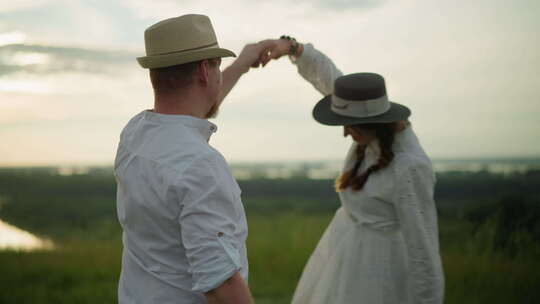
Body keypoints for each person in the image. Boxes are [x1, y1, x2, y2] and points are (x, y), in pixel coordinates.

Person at [259, 38, 445, 303]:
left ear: (376, 122)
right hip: (340, 250)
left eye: (351, 125)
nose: (345, 132)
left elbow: (423, 250)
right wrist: (293, 48)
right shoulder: (371, 136)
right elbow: (329, 78)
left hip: (378, 269)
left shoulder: (410, 166)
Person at [114, 14, 269, 304]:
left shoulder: (134, 134)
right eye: (217, 65)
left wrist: (242, 64)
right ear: (204, 71)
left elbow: (194, 105)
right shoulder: (202, 166)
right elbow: (221, 285)